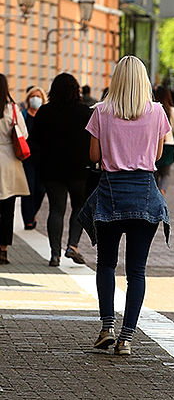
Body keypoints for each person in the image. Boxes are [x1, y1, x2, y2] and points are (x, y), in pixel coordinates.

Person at [76, 56, 172, 356]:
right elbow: (156, 158)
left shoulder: (101, 112)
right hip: (144, 193)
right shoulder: (157, 111)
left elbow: (93, 156)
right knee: (137, 271)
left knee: (105, 264)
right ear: (143, 81)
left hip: (110, 193)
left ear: (116, 79)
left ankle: (107, 326)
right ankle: (127, 338)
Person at [30, 73, 92, 267]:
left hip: (52, 170)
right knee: (79, 207)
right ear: (76, 90)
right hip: (79, 170)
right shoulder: (85, 113)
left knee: (56, 210)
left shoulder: (44, 112)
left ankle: (54, 254)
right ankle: (72, 245)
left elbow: (34, 141)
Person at [0, 74, 30, 264]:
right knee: (8, 209)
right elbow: (24, 134)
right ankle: (3, 249)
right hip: (9, 161)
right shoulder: (12, 109)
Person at [20, 86, 47, 230]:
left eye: (38, 96)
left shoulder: (45, 116)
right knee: (28, 189)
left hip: (42, 158)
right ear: (28, 99)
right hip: (27, 158)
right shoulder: (23, 115)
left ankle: (33, 213)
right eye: (33, 96)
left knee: (40, 190)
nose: (35, 99)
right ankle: (28, 219)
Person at [154, 86, 174, 194]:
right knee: (166, 173)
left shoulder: (152, 109)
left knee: (155, 172)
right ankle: (162, 190)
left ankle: (156, 192)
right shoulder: (172, 110)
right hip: (168, 144)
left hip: (154, 144)